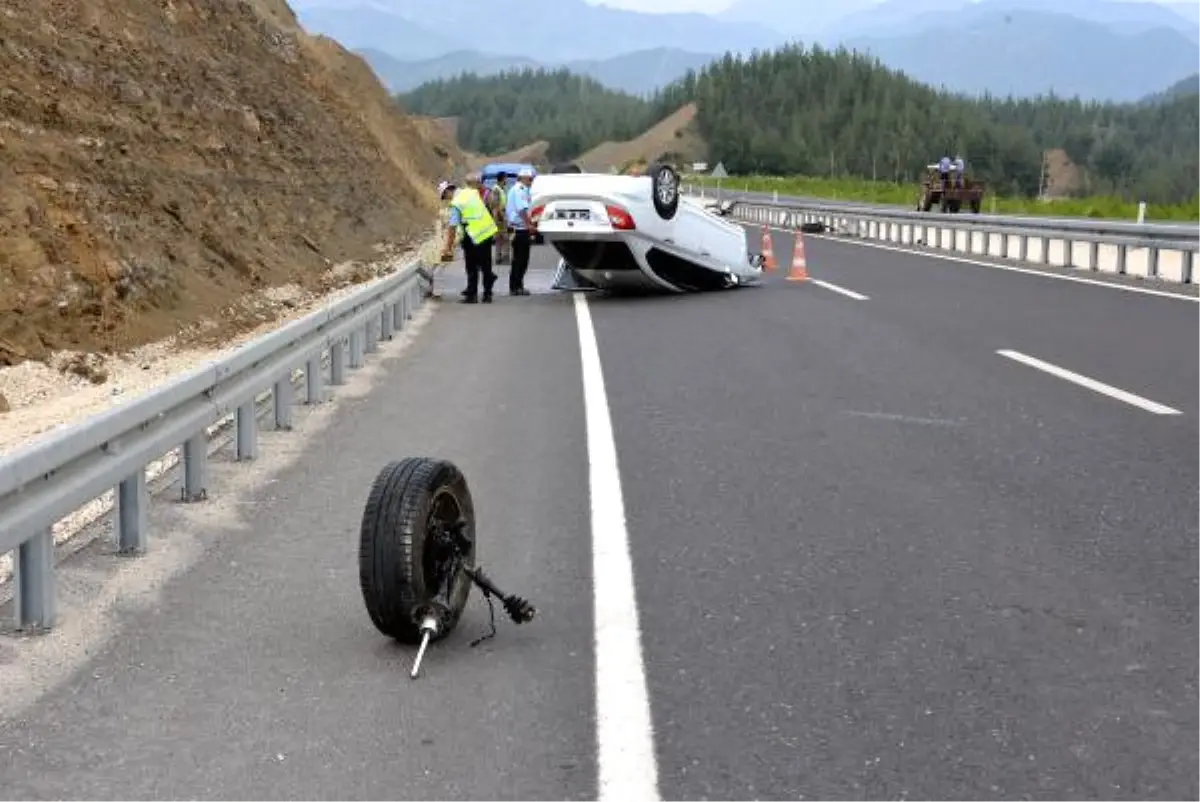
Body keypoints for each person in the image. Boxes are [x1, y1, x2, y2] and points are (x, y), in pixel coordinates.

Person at [439, 177, 498, 304]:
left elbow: (452, 227)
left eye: (445, 197)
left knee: (471, 266)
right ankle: (487, 294)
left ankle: (472, 295)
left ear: (448, 191)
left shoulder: (456, 203)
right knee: (486, 264)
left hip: (473, 234)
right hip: (487, 231)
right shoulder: (470, 192)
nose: (447, 199)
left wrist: (448, 248)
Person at [506, 166, 535, 296]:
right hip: (520, 229)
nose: (531, 181)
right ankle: (516, 286)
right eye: (529, 179)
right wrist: (529, 224)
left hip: (518, 228)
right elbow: (522, 210)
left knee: (518, 259)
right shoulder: (520, 190)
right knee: (521, 259)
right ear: (523, 178)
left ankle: (516, 286)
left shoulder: (519, 189)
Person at [487, 172, 511, 265]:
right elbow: (495, 204)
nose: (507, 180)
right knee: (504, 238)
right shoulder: (496, 189)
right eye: (506, 178)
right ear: (503, 178)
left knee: (500, 238)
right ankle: (503, 257)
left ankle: (499, 257)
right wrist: (500, 216)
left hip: (501, 215)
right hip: (499, 216)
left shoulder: (501, 189)